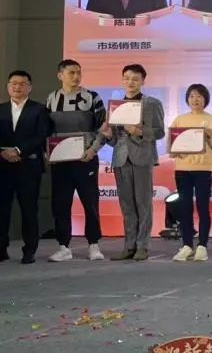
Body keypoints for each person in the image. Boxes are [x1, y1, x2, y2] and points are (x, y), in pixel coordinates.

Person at [45, 59, 107, 262]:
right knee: (61, 204)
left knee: (90, 202)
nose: (76, 76)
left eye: (79, 72)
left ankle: (94, 245)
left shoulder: (92, 97)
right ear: (60, 75)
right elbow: (47, 130)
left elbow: (104, 129)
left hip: (85, 159)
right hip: (61, 161)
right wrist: (48, 153)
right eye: (71, 72)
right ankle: (63, 246)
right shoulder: (52, 99)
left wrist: (93, 150)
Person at [102, 64, 165, 261]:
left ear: (143, 81)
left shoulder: (152, 103)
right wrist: (108, 135)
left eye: (135, 79)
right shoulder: (115, 105)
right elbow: (114, 140)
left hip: (142, 157)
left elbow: (160, 132)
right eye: (127, 78)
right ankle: (129, 246)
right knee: (126, 205)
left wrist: (139, 131)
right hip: (121, 159)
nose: (131, 82)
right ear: (122, 80)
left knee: (143, 204)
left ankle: (143, 246)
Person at [169, 84, 212, 262]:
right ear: (187, 99)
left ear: (205, 99)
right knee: (185, 207)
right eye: (192, 96)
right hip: (183, 169)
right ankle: (186, 245)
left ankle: (202, 245)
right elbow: (171, 147)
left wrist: (208, 135)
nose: (195, 99)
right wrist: (176, 150)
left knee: (203, 207)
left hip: (203, 169)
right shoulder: (179, 120)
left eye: (199, 96)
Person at [0, 71, 50, 264]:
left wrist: (18, 150)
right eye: (13, 83)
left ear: (29, 87)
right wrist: (3, 152)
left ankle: (29, 250)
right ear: (8, 86)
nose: (17, 87)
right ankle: (1, 249)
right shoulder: (1, 109)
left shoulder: (39, 109)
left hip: (28, 166)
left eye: (22, 84)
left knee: (29, 209)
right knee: (2, 210)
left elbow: (42, 135)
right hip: (3, 166)